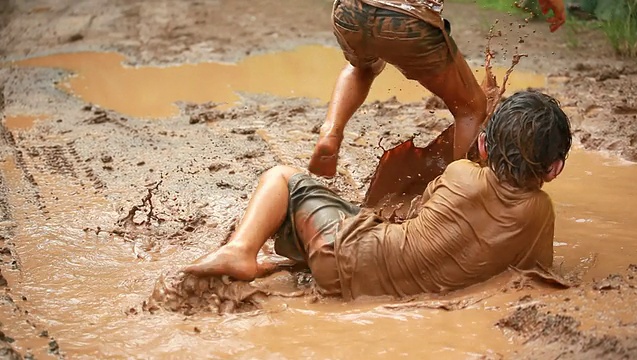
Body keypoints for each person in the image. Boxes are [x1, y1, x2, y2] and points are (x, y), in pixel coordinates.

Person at [183, 90, 572, 299]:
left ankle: (241, 251)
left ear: (484, 147)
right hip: (367, 283)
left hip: (346, 255)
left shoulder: (460, 173)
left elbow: (419, 219)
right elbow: (534, 273)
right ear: (555, 169)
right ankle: (287, 263)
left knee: (283, 178)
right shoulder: (540, 212)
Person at [308, 0, 567, 178]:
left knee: (360, 67)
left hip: (350, 11)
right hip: (408, 16)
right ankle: (457, 193)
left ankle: (330, 132)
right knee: (471, 107)